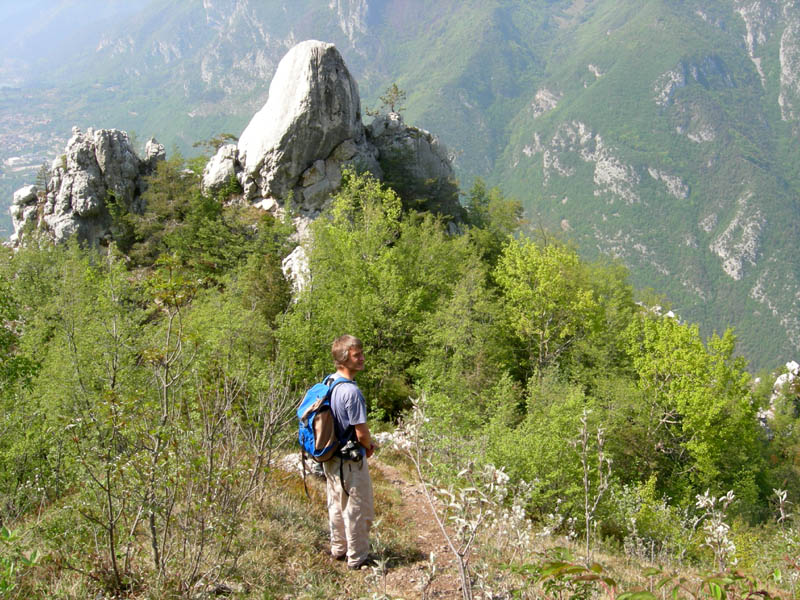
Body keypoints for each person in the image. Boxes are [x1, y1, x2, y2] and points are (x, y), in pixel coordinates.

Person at [324, 334, 377, 570]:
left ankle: (339, 549)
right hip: (350, 461)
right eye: (357, 355)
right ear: (344, 359)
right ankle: (357, 558)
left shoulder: (329, 382)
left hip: (331, 456)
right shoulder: (352, 393)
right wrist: (369, 447)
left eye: (361, 354)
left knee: (336, 503)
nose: (362, 359)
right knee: (356, 507)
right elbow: (361, 433)